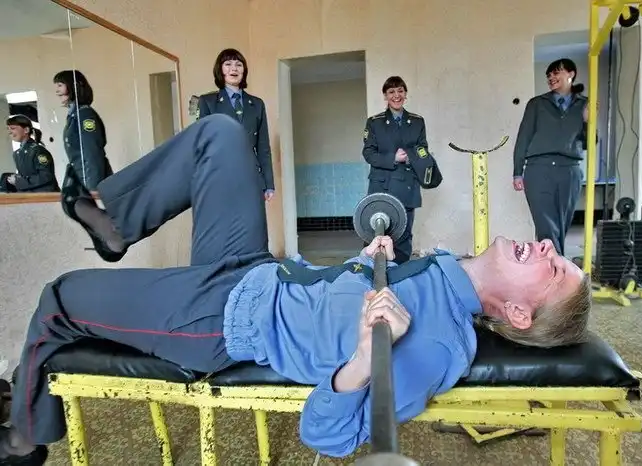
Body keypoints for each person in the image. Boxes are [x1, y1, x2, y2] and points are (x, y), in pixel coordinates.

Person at [0, 114, 591, 464]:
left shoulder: (436, 346)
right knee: (221, 134)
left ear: (518, 313)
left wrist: (361, 361)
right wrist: (364, 261)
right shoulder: (443, 268)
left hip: (222, 318)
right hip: (255, 269)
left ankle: (25, 438)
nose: (547, 245)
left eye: (555, 269)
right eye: (556, 252)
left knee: (59, 300)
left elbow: (328, 435)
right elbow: (343, 292)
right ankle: (114, 223)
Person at [512, 58, 594, 256]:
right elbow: (523, 138)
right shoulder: (537, 104)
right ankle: (555, 265)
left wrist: (587, 122)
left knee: (561, 225)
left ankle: (552, 265)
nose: (551, 77)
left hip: (570, 169)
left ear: (571, 74)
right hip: (539, 168)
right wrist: (517, 172)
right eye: (548, 75)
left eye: (556, 72)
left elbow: (590, 142)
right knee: (546, 226)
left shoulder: (584, 105)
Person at [362, 76, 442, 265]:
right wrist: (393, 158)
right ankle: (374, 274)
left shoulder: (417, 121)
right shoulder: (374, 123)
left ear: (405, 94)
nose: (396, 95)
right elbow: (368, 153)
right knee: (375, 234)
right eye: (391, 92)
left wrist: (411, 155)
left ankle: (401, 273)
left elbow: (423, 149)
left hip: (407, 185)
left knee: (403, 236)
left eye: (400, 91)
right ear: (385, 96)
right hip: (382, 186)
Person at [197, 48, 275, 202]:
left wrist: (268, 184)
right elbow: (203, 145)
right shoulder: (207, 102)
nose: (234, 68)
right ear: (220, 70)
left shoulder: (257, 104)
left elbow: (263, 147)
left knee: (252, 217)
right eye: (228, 64)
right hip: (220, 177)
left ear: (244, 70)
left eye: (239, 65)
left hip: (252, 177)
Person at [53, 70, 113, 191]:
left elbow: (92, 154)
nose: (57, 91)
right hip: (80, 179)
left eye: (60, 85)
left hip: (89, 180)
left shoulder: (85, 115)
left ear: (74, 86)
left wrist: (92, 189)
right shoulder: (74, 115)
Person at [1, 115, 59, 193]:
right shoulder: (17, 153)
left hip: (45, 196)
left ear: (26, 130)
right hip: (30, 195)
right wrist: (15, 179)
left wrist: (18, 181)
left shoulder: (38, 150)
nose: (9, 132)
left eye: (13, 128)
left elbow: (45, 176)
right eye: (8, 129)